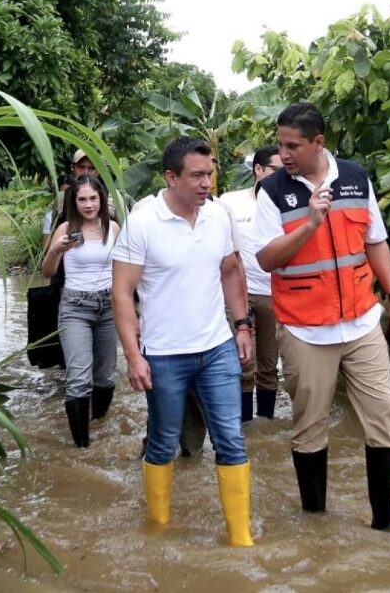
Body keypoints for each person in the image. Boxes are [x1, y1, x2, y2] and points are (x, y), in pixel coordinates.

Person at [254, 103, 390, 530]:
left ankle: (387, 523)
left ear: (318, 143)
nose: (283, 154)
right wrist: (308, 224)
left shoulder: (357, 178)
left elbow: (375, 241)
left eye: (293, 146)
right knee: (309, 428)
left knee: (383, 418)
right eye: (281, 144)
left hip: (362, 321)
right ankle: (315, 521)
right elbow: (266, 258)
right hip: (304, 329)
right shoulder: (272, 192)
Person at [112, 136, 255, 546]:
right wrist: (133, 356)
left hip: (216, 349)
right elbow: (122, 292)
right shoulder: (143, 222)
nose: (205, 183)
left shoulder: (219, 216)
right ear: (171, 177)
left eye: (209, 174)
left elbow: (230, 270)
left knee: (231, 438)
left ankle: (241, 536)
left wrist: (242, 325)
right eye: (196, 175)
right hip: (164, 355)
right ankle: (158, 526)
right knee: (162, 442)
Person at [42, 175, 119, 447]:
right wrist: (55, 250)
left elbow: (123, 270)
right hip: (75, 306)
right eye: (82, 199)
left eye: (93, 198)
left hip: (110, 306)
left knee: (107, 376)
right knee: (78, 378)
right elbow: (46, 272)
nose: (88, 205)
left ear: (102, 199)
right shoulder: (65, 228)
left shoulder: (114, 229)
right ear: (73, 202)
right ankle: (82, 449)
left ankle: (99, 423)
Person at [219, 145, 282, 422]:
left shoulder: (287, 201)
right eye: (275, 170)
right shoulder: (229, 202)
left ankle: (266, 424)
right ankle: (244, 426)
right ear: (258, 169)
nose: (282, 176)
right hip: (240, 295)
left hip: (276, 293)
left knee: (269, 364)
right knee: (243, 362)